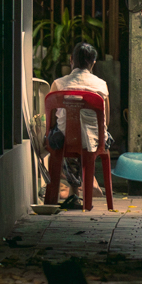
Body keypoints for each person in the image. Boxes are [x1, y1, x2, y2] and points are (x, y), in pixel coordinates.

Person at [44, 42, 110, 205]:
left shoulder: (58, 84)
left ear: (71, 60)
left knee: (61, 134)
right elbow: (105, 120)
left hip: (65, 141)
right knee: (91, 135)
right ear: (93, 63)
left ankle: (73, 191)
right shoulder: (101, 85)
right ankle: (89, 183)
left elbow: (51, 121)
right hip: (95, 141)